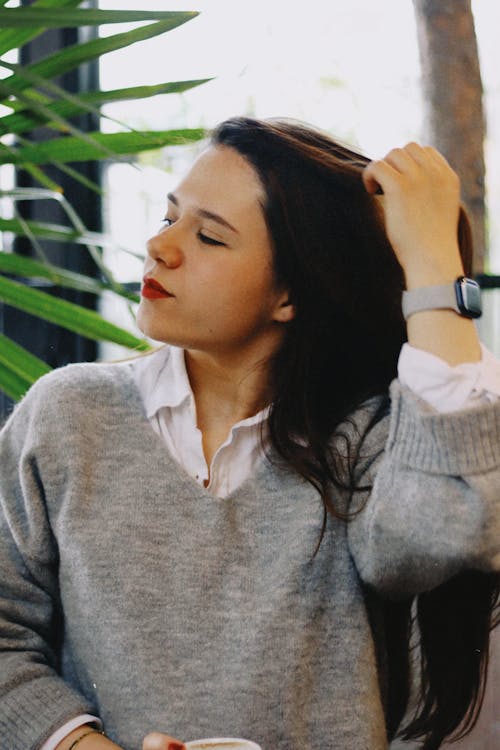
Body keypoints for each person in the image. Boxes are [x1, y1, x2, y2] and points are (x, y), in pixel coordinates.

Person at [0, 116, 499, 750]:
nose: (161, 248)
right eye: (169, 217)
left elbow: (454, 524)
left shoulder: (363, 444)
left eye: (209, 237)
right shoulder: (67, 416)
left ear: (289, 295)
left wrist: (433, 265)